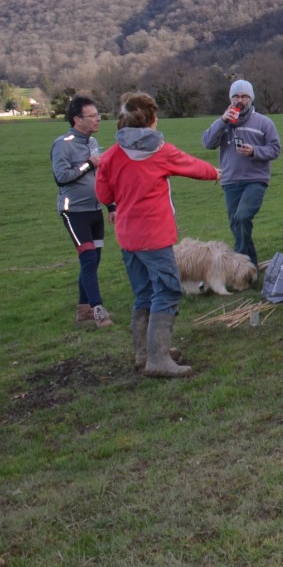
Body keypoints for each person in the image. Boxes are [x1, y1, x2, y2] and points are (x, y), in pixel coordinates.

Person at [95, 92, 221, 377]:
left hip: (128, 237)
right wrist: (214, 172)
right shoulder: (159, 151)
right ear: (152, 120)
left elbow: (103, 193)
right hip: (154, 236)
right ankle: (158, 359)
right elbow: (191, 165)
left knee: (144, 293)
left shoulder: (111, 155)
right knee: (168, 289)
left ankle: (144, 353)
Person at [201, 78, 280, 269]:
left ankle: (240, 265)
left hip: (255, 179)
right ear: (230, 98)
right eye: (236, 96)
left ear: (251, 98)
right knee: (236, 225)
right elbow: (207, 143)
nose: (240, 100)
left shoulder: (264, 123)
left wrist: (254, 151)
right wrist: (222, 121)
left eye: (245, 96)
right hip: (230, 180)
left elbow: (275, 149)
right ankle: (248, 268)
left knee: (243, 217)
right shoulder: (224, 121)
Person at [52, 95, 114, 329]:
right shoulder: (63, 144)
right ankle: (98, 310)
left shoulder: (92, 141)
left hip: (95, 209)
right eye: (93, 115)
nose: (98, 118)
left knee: (94, 259)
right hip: (74, 211)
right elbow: (61, 177)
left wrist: (111, 206)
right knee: (88, 258)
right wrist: (89, 164)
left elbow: (102, 176)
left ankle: (83, 310)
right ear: (77, 119)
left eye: (98, 114)